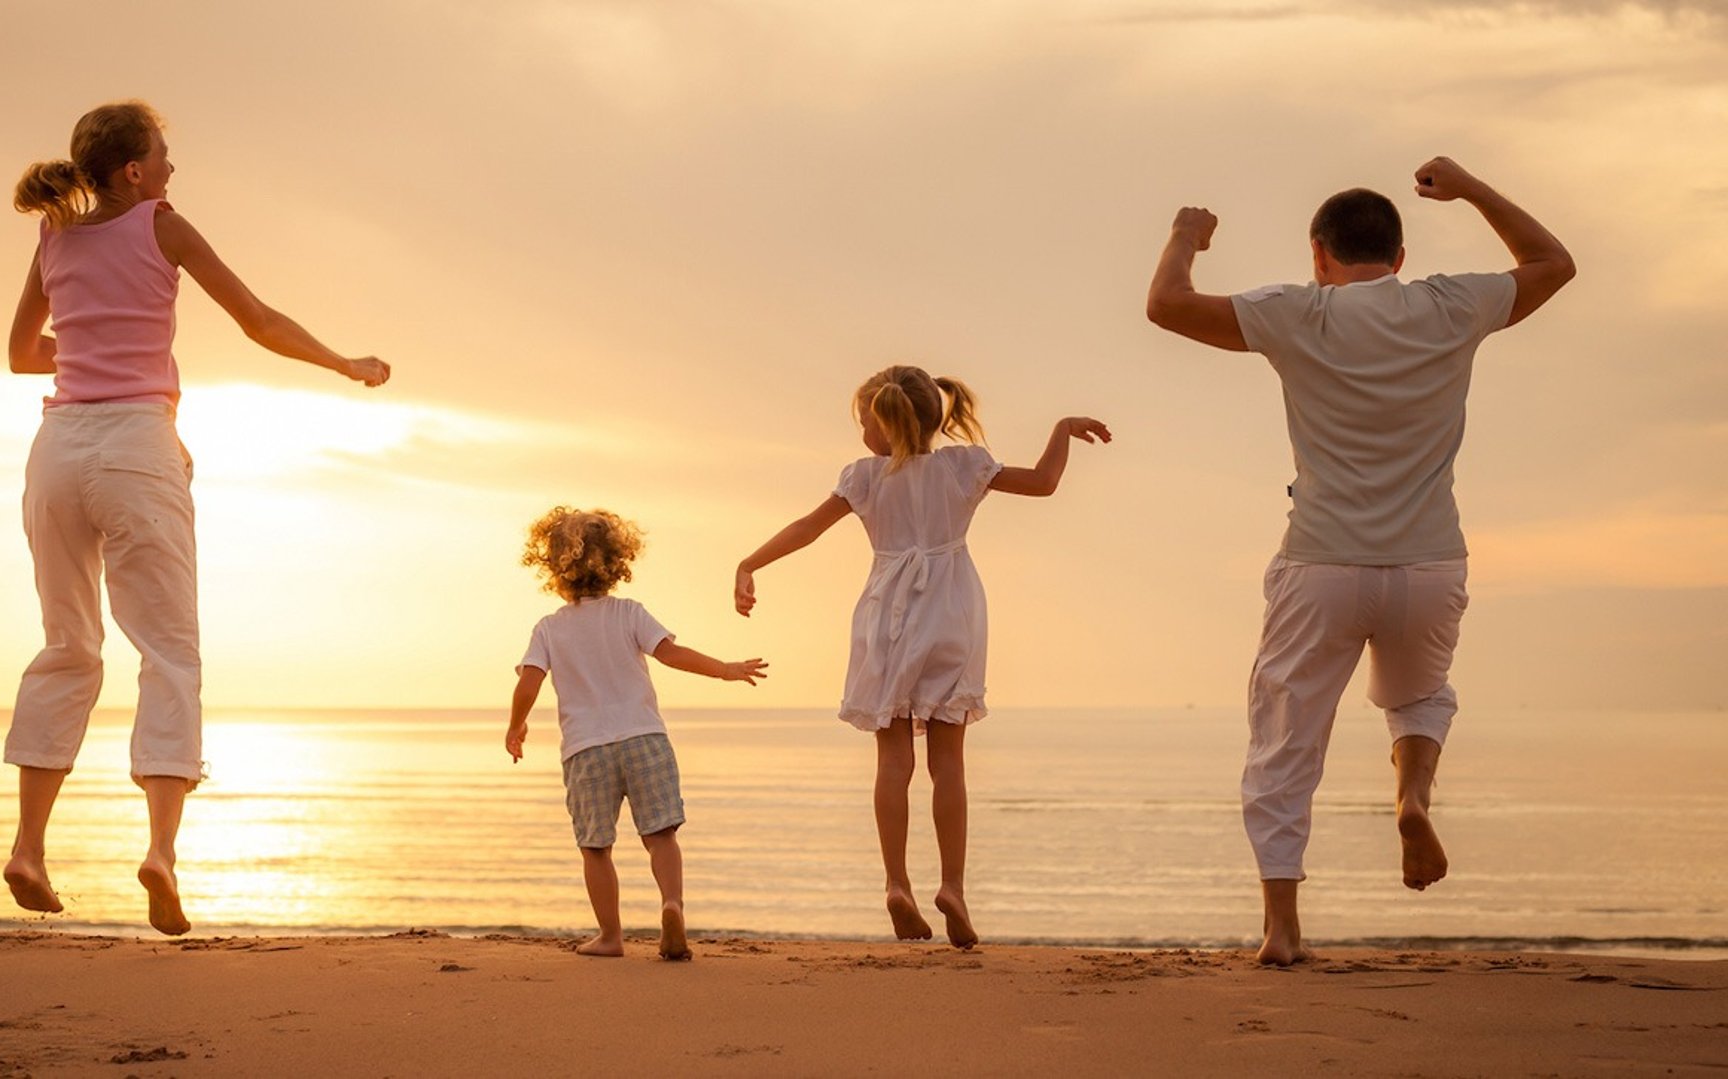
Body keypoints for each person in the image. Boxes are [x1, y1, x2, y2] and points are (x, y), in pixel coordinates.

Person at [1144, 156, 1575, 965]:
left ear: (1318, 254)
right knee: (1420, 696)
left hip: (1323, 564)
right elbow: (1554, 264)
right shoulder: (1453, 304)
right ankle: (1410, 799)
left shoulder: (1298, 314)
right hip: (1428, 563)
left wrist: (1185, 236)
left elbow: (1165, 304)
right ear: (1401, 256)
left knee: (1286, 738)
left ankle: (1282, 926)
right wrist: (1474, 189)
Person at [4, 100, 390, 936]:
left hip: (57, 448)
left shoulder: (54, 237)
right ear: (134, 172)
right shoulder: (163, 223)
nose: (173, 168)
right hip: (138, 445)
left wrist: (93, 347)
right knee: (169, 651)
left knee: (69, 644)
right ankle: (161, 853)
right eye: (163, 155)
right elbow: (257, 320)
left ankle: (29, 847)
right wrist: (343, 361)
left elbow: (20, 354)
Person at [735, 366, 1111, 948]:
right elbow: (1043, 483)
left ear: (882, 424)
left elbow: (807, 528)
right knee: (948, 762)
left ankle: (896, 884)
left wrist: (750, 565)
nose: (860, 430)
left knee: (892, 762)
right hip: (952, 613)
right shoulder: (963, 466)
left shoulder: (863, 477)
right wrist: (1061, 428)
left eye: (863, 419)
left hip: (886, 618)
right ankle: (954, 887)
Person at [506, 507, 768, 960]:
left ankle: (610, 936)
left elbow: (529, 681)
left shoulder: (549, 629)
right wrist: (725, 670)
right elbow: (671, 654)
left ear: (554, 567)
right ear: (616, 561)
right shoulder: (629, 613)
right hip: (645, 738)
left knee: (595, 847)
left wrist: (516, 726)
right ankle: (671, 905)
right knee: (661, 835)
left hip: (587, 750)